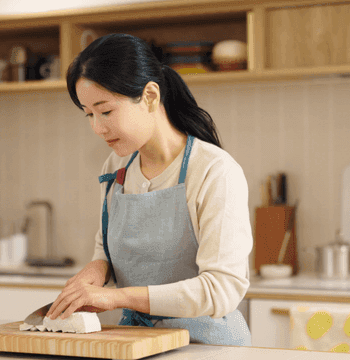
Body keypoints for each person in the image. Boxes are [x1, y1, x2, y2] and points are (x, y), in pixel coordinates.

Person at [46, 33, 253, 346]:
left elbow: (221, 290)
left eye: (106, 111)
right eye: (89, 114)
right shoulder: (115, 168)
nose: (98, 128)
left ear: (150, 97)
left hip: (206, 347)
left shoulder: (213, 171)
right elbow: (107, 250)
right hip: (136, 343)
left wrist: (117, 299)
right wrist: (96, 271)